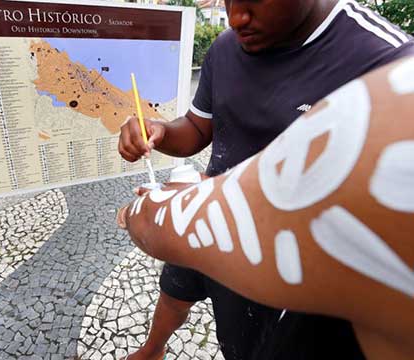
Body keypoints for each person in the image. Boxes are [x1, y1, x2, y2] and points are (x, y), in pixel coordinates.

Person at [117, 0, 414, 359]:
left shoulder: (388, 63)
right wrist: (160, 130)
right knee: (175, 290)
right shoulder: (227, 47)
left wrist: (164, 213)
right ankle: (153, 349)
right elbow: (198, 127)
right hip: (204, 208)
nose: (237, 17)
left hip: (286, 272)